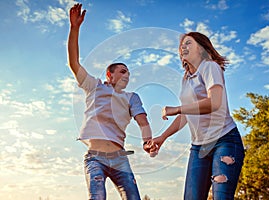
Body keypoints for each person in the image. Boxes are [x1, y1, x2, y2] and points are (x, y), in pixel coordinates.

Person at [67, 3, 157, 200]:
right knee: (97, 197)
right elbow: (73, 63)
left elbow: (143, 122)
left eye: (129, 74)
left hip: (119, 160)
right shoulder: (94, 86)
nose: (127, 76)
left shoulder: (131, 97)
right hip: (95, 158)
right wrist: (74, 29)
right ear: (110, 74)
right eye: (123, 71)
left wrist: (147, 141)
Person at [153, 32, 245, 199]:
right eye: (181, 45)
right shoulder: (186, 79)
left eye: (188, 43)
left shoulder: (210, 67)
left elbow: (214, 102)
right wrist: (163, 137)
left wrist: (178, 108)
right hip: (198, 148)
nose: (183, 47)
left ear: (202, 48)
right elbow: (188, 114)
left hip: (224, 140)